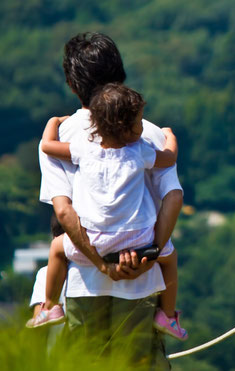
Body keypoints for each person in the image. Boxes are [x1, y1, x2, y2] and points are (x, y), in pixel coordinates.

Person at [37, 32, 183, 369]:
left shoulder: (63, 135)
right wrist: (151, 254)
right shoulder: (149, 134)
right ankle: (170, 316)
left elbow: (64, 211)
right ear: (121, 75)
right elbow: (172, 198)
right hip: (143, 278)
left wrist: (103, 264)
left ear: (72, 85)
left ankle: (49, 307)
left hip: (84, 280)